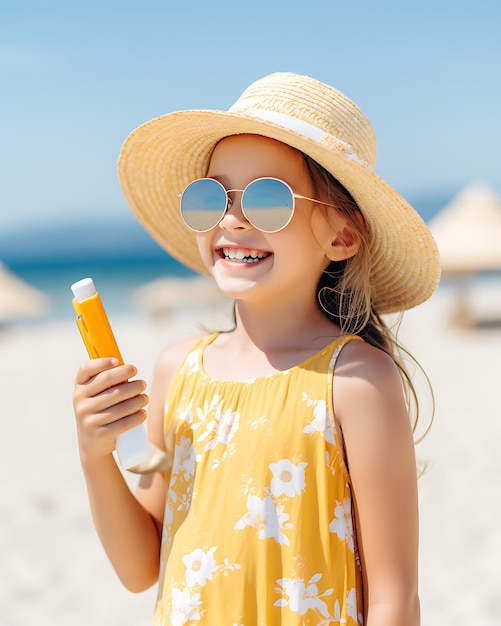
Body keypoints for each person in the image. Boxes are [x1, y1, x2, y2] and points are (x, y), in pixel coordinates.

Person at [73, 72, 440, 625]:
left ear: (342, 235)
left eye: (270, 198)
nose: (232, 217)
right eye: (211, 196)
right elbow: (139, 567)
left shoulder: (357, 381)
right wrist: (94, 453)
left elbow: (394, 598)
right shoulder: (178, 369)